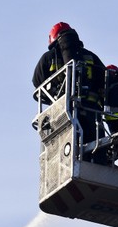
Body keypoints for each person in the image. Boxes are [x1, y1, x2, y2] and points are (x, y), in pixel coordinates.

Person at [32, 22, 107, 161]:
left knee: (63, 153)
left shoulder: (48, 57)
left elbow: (37, 83)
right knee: (97, 152)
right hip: (92, 112)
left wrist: (53, 97)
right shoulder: (91, 56)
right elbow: (105, 80)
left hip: (63, 112)